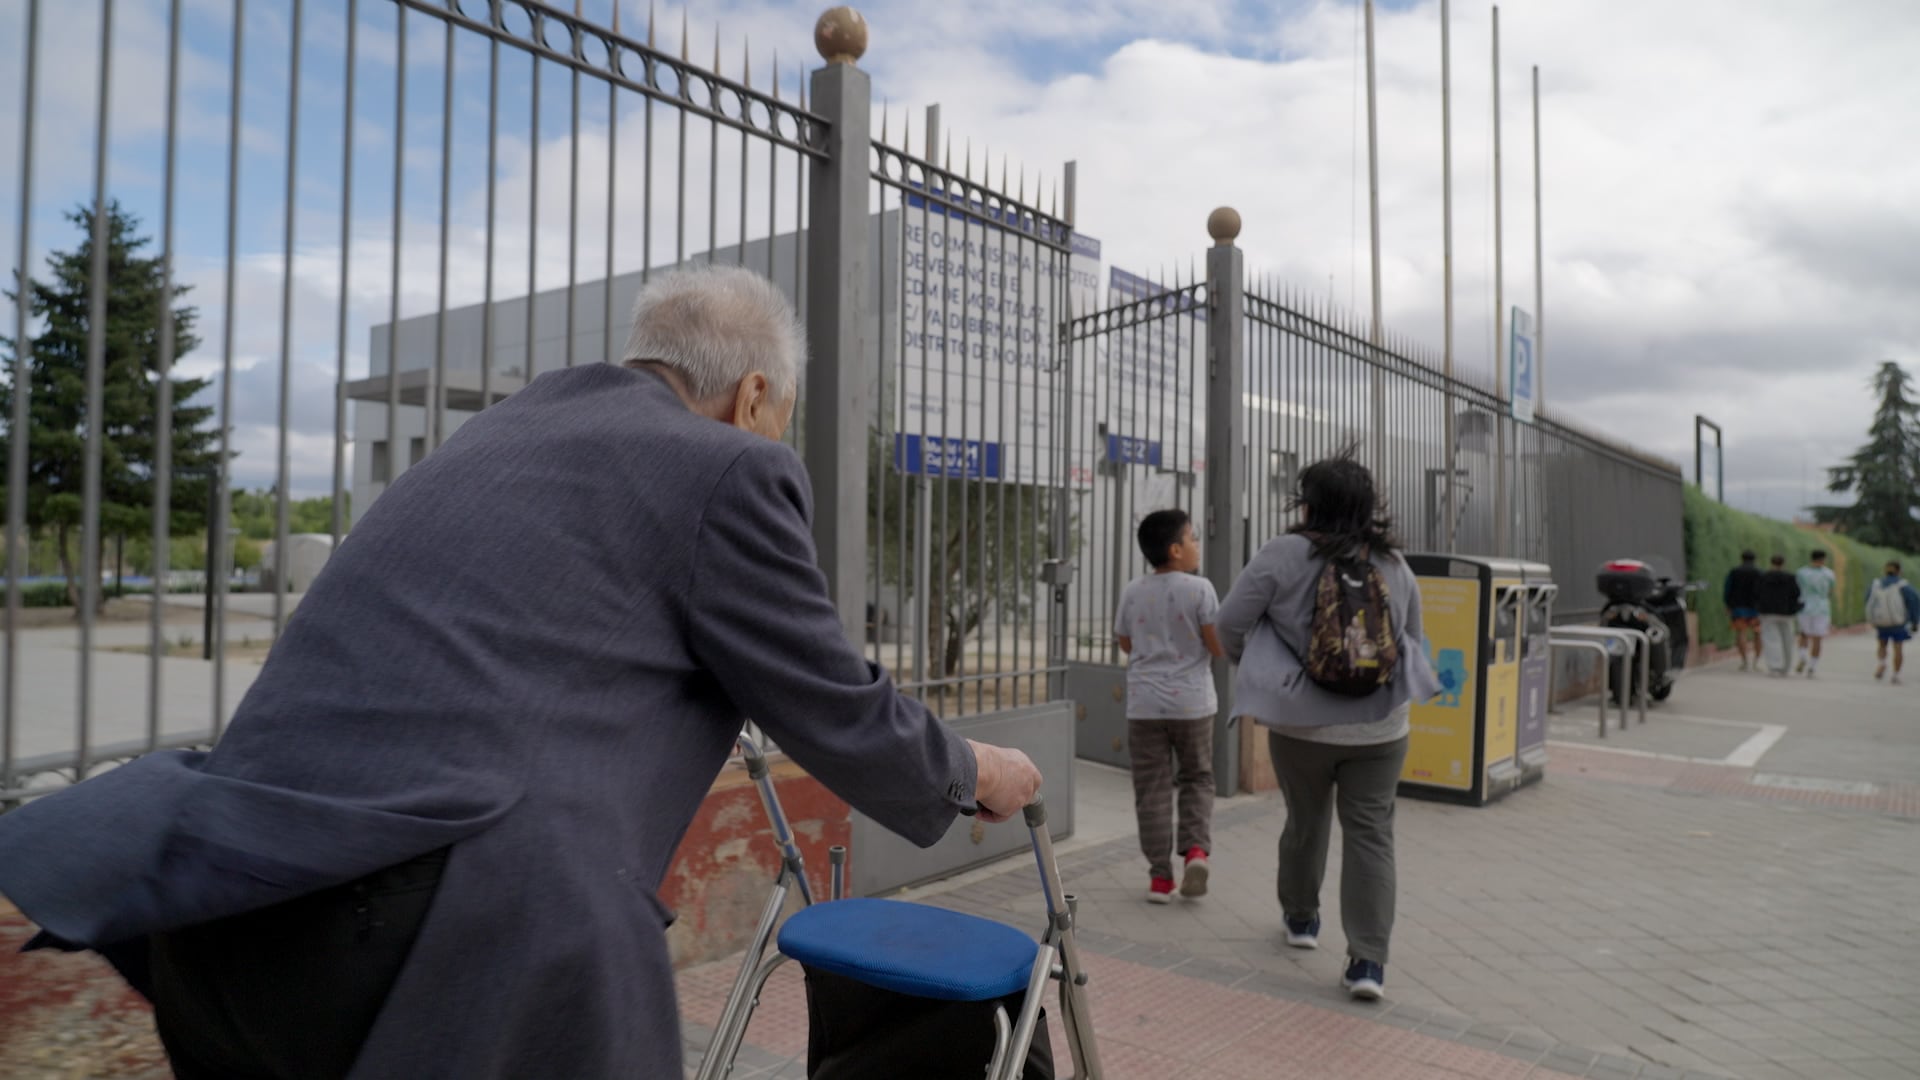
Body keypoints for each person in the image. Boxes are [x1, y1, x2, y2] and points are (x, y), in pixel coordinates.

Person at [0, 266, 1043, 1079]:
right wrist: (975, 770)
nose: (782, 436)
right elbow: (829, 697)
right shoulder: (728, 464)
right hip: (440, 945)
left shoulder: (490, 441)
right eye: (786, 412)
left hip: (226, 915)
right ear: (754, 393)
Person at [1216, 453, 1440, 1004]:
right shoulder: (1394, 564)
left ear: (1308, 502)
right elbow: (1414, 638)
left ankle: (1300, 918)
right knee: (1371, 835)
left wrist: (1269, 668)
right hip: (1382, 730)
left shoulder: (1283, 554)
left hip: (1300, 726)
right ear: (1369, 509)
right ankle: (1368, 961)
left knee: (1305, 821)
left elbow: (1228, 625)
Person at [1114, 508, 1224, 905]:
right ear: (1176, 549)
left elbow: (1125, 643)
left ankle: (1160, 879)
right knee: (1197, 778)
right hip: (1193, 705)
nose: (1197, 545)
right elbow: (1217, 645)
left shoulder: (1133, 590)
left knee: (1152, 790)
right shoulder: (1201, 589)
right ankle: (1196, 851)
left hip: (1144, 706)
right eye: (1192, 538)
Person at [1866, 561, 1920, 685]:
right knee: (1898, 649)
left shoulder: (1877, 584)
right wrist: (1915, 621)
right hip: (1898, 623)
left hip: (1881, 621)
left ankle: (1882, 663)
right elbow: (1914, 602)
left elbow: (1868, 600)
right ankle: (1896, 674)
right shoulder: (1903, 586)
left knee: (1882, 644)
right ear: (1899, 571)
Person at [1755, 555, 1803, 678]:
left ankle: (1774, 665)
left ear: (1771, 562)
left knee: (1771, 639)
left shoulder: (1764, 577)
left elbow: (1757, 593)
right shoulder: (1790, 577)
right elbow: (1797, 594)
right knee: (1787, 639)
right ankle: (1786, 666)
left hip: (1768, 612)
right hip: (1786, 613)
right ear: (1783, 563)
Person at [1795, 549, 1838, 678]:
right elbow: (1830, 591)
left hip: (1805, 606)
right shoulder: (1829, 574)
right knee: (1817, 638)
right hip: (1822, 608)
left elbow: (1797, 590)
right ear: (1823, 559)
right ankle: (1813, 666)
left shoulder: (1801, 572)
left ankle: (1803, 656)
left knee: (1803, 634)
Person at [1723, 551, 1763, 671]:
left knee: (1741, 633)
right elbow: (1763, 590)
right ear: (1754, 559)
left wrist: (1728, 605)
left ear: (1741, 558)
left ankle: (1744, 661)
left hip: (1739, 608)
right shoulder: (1760, 572)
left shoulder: (1734, 572)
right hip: (1756, 609)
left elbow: (1727, 589)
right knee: (1758, 634)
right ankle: (1757, 661)